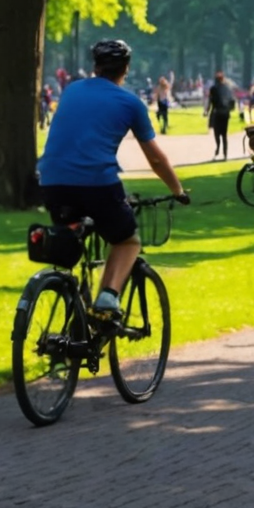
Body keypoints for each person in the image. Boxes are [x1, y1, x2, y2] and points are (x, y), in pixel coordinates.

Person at [38, 40, 189, 317]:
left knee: (72, 236)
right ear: (126, 69)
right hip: (97, 183)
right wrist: (177, 190)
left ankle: (76, 309)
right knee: (127, 240)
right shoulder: (130, 103)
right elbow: (155, 159)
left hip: (51, 181)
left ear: (95, 67)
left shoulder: (71, 91)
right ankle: (108, 296)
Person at [205, 71, 236, 160]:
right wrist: (230, 109)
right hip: (225, 113)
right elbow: (232, 100)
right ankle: (225, 153)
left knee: (217, 133)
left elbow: (210, 101)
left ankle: (218, 149)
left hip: (217, 113)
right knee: (224, 134)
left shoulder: (213, 88)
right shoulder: (228, 88)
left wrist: (207, 111)